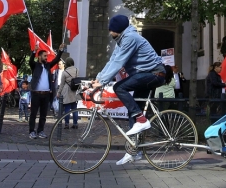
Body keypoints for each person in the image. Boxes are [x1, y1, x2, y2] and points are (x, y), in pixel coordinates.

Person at [92, 15, 166, 166]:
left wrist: (103, 82)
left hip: (154, 74)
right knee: (133, 111)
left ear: (117, 30)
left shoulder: (130, 38)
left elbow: (119, 62)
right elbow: (112, 61)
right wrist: (98, 79)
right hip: (144, 75)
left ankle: (142, 120)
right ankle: (134, 151)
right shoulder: (121, 41)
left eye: (110, 30)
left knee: (119, 87)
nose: (109, 33)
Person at [28, 41, 64, 139]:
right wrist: (34, 52)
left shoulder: (48, 65)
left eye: (46, 56)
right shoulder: (35, 65)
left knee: (43, 115)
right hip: (36, 93)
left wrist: (60, 50)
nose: (46, 57)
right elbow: (30, 61)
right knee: (33, 114)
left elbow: (56, 60)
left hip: (46, 94)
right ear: (39, 57)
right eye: (44, 56)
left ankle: (40, 131)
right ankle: (31, 131)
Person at [57, 58, 79, 129]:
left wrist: (59, 92)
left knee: (67, 108)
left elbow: (62, 84)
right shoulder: (76, 70)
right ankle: (75, 123)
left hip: (67, 91)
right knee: (74, 109)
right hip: (75, 90)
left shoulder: (65, 72)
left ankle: (66, 124)